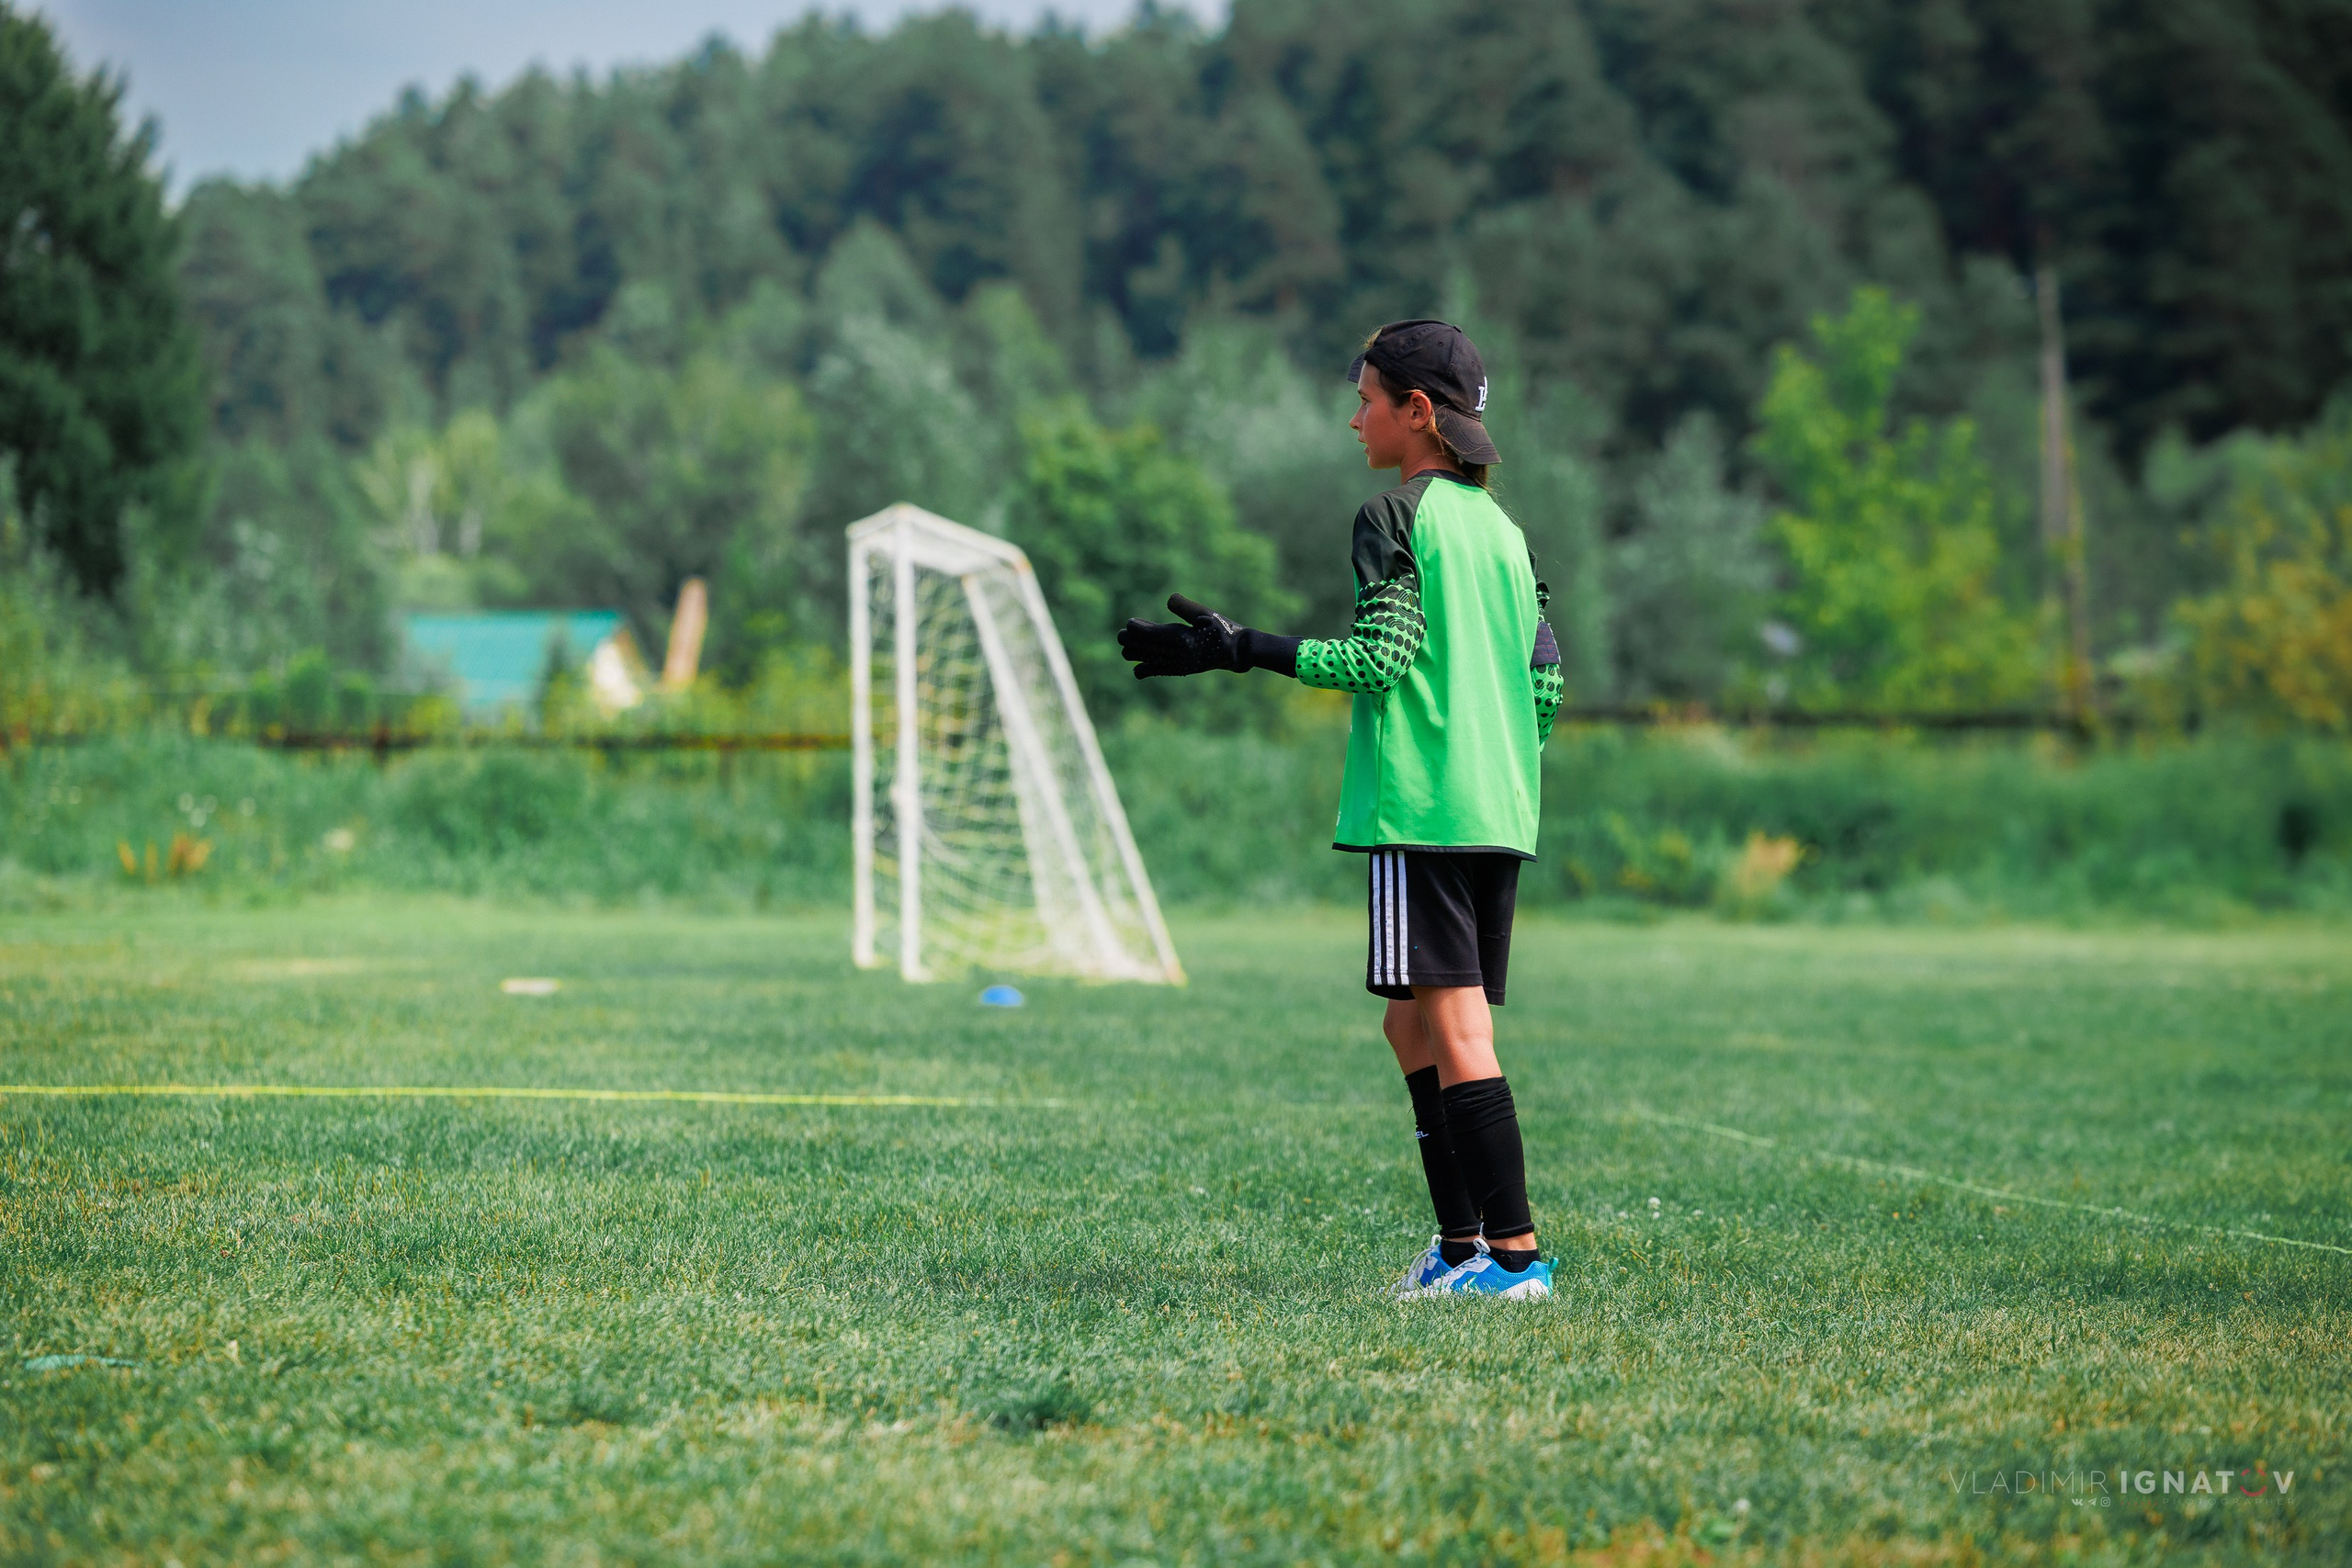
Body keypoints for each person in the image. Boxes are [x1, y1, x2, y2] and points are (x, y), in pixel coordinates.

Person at [1119, 320, 1564, 1299]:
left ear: (1416, 413)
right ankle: (1457, 1253)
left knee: (1452, 1033)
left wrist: (1245, 648)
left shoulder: (1395, 516)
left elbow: (1377, 662)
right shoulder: (1504, 530)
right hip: (1495, 812)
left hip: (1424, 813)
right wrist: (1497, 760)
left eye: (1365, 399)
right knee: (1410, 1030)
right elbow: (1545, 681)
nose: (1352, 417)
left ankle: (1514, 1264)